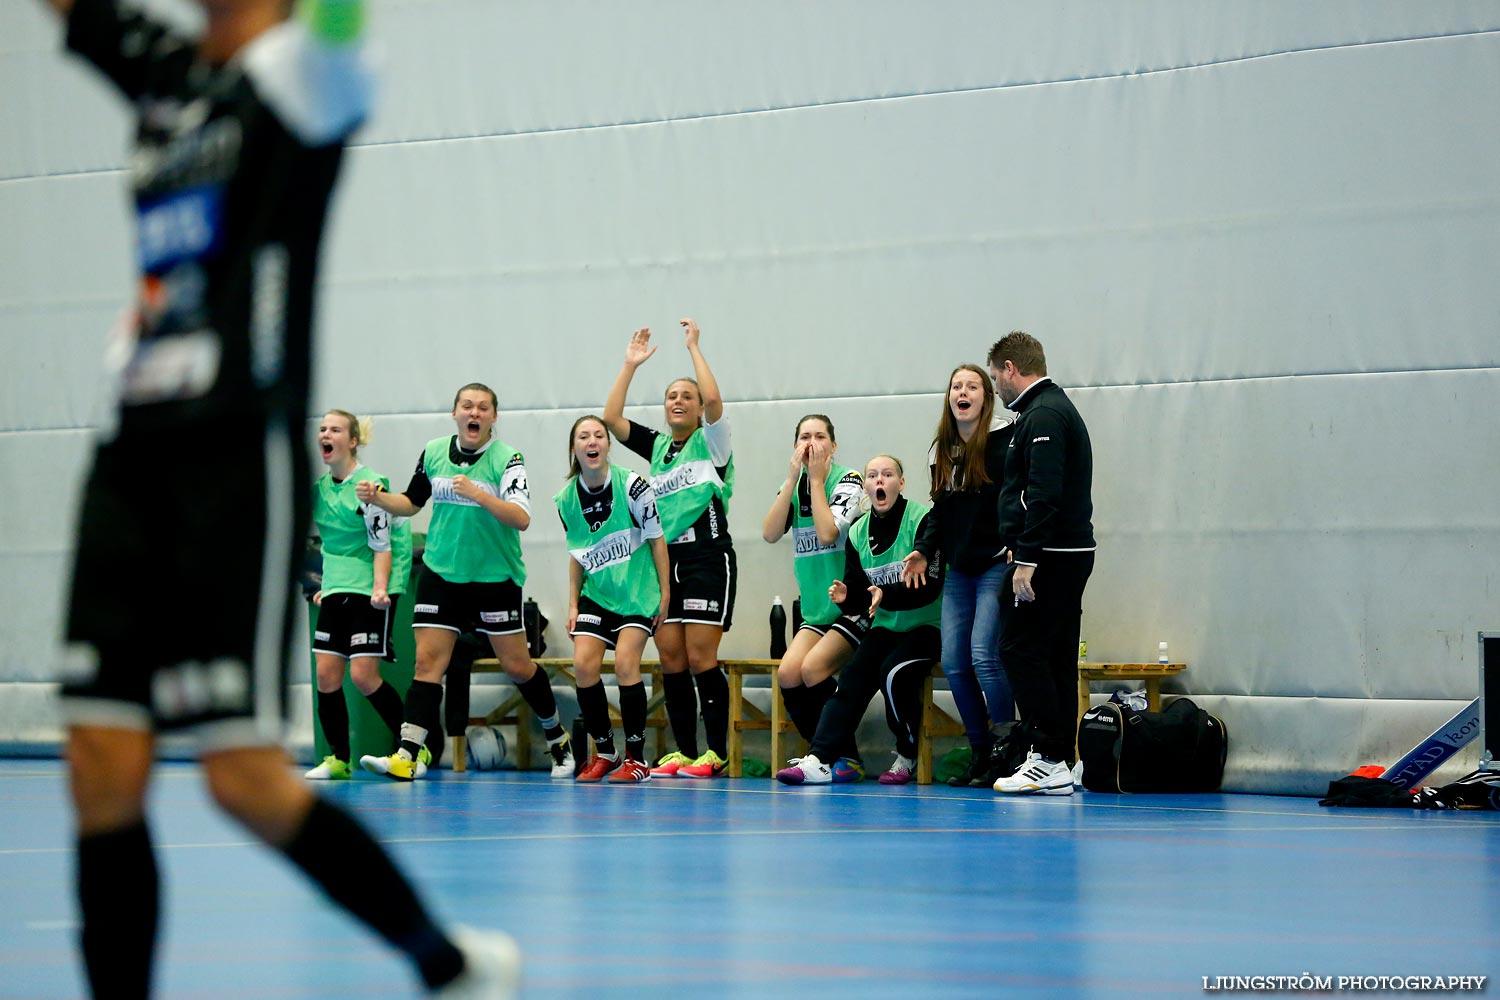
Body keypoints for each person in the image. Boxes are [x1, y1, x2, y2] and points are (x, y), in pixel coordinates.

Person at [47, 0, 518, 995]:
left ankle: (445, 965)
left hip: (231, 460)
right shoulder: (167, 71)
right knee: (97, 758)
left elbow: (341, 23)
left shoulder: (307, 76)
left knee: (242, 779)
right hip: (128, 457)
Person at [358, 383, 575, 781]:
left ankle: (557, 737)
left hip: (494, 576)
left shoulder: (507, 459)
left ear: (493, 417)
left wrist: (477, 493)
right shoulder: (435, 452)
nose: (474, 413)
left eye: (483, 408)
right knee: (427, 662)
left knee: (517, 665)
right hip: (443, 573)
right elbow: (411, 502)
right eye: (467, 406)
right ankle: (408, 752)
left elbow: (520, 518)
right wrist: (378, 498)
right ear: (455, 413)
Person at [603, 320, 737, 779]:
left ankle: (716, 752)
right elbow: (612, 420)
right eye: (672, 397)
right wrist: (630, 365)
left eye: (687, 396)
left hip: (706, 558)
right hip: (665, 564)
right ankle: (684, 749)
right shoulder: (659, 446)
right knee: (672, 659)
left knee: (701, 657)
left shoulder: (711, 442)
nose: (678, 401)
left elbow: (717, 401)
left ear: (698, 408)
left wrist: (694, 347)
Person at [776, 455, 941, 786]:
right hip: (885, 626)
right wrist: (846, 596)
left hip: (927, 626)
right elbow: (859, 590)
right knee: (851, 678)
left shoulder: (922, 521)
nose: (880, 481)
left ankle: (907, 755)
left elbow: (930, 587)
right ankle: (820, 759)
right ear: (867, 487)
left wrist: (884, 595)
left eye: (888, 474)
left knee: (891, 673)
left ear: (901, 483)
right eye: (873, 475)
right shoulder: (858, 532)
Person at [988, 332, 1096, 796]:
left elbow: (1044, 493)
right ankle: (1060, 758)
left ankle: (1047, 754)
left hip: (1051, 558)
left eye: (995, 378)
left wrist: (1027, 559)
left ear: (1011, 368)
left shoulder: (1045, 415)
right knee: (1053, 657)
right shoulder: (1040, 411)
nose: (996, 389)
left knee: (1019, 648)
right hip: (1058, 554)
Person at [904, 365, 1019, 788]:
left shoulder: (1005, 440)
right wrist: (922, 550)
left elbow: (1017, 498)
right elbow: (940, 511)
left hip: (994, 564)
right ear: (949, 397)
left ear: (986, 398)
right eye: (957, 386)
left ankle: (1009, 750)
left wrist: (1017, 544)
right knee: (954, 662)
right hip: (959, 571)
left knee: (984, 658)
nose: (963, 392)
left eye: (973, 386)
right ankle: (980, 753)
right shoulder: (942, 450)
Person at [555, 416, 671, 783]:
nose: (592, 441)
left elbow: (657, 540)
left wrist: (666, 593)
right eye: (583, 436)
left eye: (599, 435)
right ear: (574, 448)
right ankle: (606, 751)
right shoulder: (566, 499)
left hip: (637, 594)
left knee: (625, 663)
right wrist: (573, 603)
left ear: (608, 445)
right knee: (584, 666)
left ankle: (637, 759)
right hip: (597, 595)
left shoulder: (633, 486)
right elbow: (578, 555)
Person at [760, 414, 869, 782]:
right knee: (788, 674)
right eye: (804, 437)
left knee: (811, 669)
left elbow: (826, 533)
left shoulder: (850, 481)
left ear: (833, 446)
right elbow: (770, 533)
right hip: (816, 612)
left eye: (819, 436)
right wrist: (793, 479)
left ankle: (838, 757)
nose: (811, 444)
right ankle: (829, 754)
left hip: (852, 607)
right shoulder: (794, 483)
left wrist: (818, 482)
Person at [306, 409, 413, 780]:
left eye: (335, 429)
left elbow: (381, 544)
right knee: (326, 676)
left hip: (372, 587)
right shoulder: (319, 489)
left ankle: (414, 745)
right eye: (322, 429)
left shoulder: (371, 485)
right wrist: (325, 586)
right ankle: (338, 759)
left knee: (364, 676)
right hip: (336, 586)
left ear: (352, 441)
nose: (326, 434)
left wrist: (381, 588)